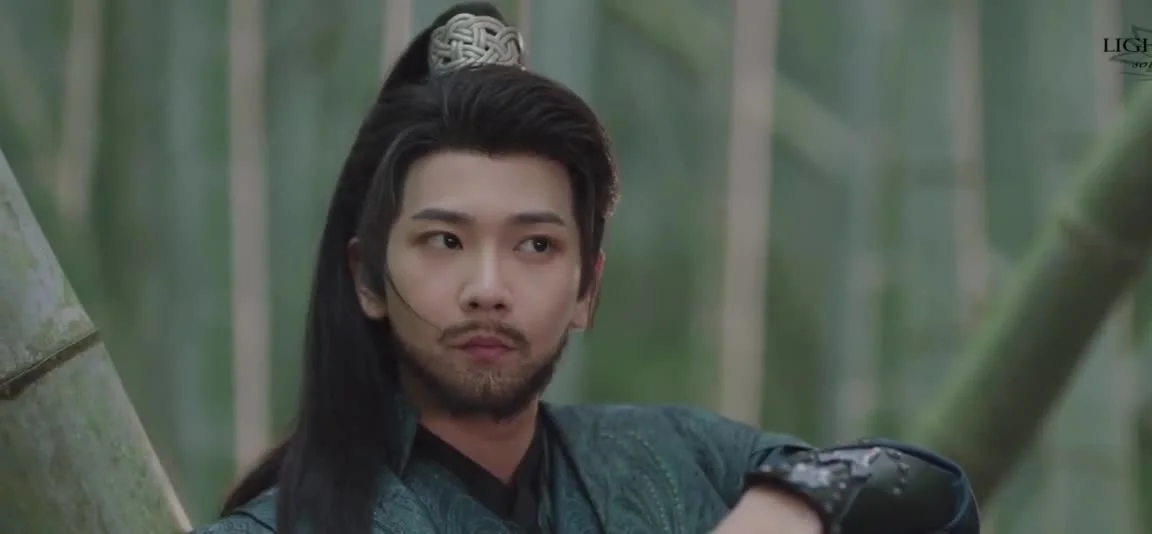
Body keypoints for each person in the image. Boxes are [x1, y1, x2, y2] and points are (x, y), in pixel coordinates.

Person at [192, 2, 980, 533]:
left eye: (536, 245)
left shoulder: (678, 457)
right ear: (366, 277)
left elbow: (927, 488)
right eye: (445, 241)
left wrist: (790, 506)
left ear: (587, 289)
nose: (488, 289)